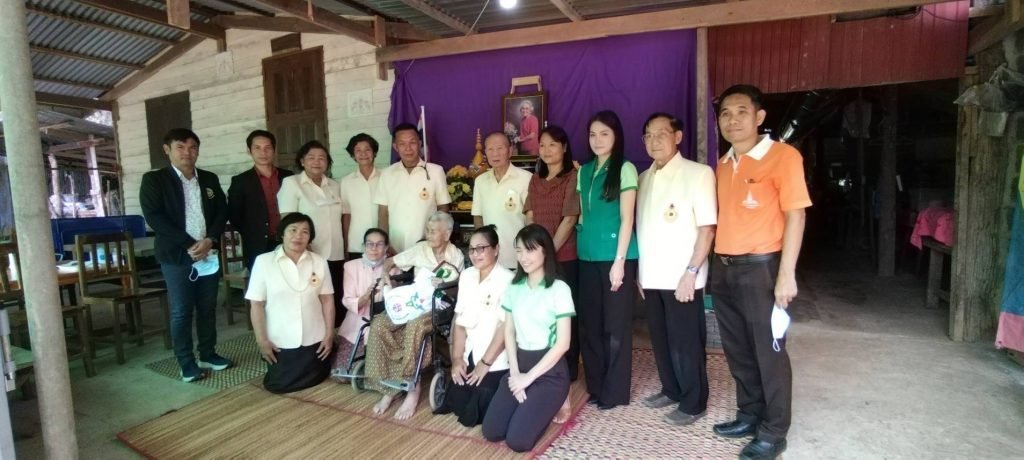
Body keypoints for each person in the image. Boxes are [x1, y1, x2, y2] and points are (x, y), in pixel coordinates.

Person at [711, 84, 811, 460]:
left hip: (762, 269)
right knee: (737, 349)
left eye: (741, 112)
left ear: (759, 117)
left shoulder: (784, 156)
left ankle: (774, 431)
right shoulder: (722, 165)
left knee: (769, 352)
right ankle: (749, 414)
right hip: (724, 268)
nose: (732, 120)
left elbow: (796, 216)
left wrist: (787, 274)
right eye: (725, 113)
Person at [636, 112, 717, 426]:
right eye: (648, 135)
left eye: (661, 134)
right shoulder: (643, 179)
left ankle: (694, 403)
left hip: (683, 276)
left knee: (686, 342)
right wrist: (640, 273)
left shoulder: (698, 174)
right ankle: (671, 389)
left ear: (678, 136)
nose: (654, 141)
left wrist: (692, 272)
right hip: (652, 275)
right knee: (660, 338)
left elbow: (707, 229)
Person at [139, 128, 231, 382]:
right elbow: (154, 217)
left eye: (192, 147)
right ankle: (186, 362)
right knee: (181, 311)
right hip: (176, 256)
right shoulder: (155, 180)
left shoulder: (209, 179)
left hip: (208, 253)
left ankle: (208, 354)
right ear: (167, 149)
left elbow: (221, 211)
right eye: (180, 147)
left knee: (208, 308)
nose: (187, 152)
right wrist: (190, 244)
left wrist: (210, 239)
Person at [482, 224, 574, 452]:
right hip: (520, 364)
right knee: (492, 431)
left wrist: (529, 378)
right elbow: (509, 332)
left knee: (518, 441)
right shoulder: (514, 288)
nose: (523, 257)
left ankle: (559, 398)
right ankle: (535, 402)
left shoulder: (559, 289)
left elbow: (563, 344)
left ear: (545, 251)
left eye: (530, 250)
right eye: (519, 251)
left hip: (549, 372)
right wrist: (515, 374)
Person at [366, 211, 465, 420]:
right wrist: (385, 275)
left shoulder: (455, 255)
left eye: (433, 231)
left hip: (438, 306)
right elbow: (390, 261)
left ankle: (413, 386)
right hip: (414, 302)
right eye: (427, 230)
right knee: (380, 323)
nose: (429, 235)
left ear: (447, 234)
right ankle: (389, 387)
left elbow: (460, 286)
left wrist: (444, 284)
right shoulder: (420, 249)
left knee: (414, 326)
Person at [576, 110, 639, 410]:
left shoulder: (624, 168)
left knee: (615, 327)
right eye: (593, 134)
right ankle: (597, 386)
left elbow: (627, 219)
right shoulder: (584, 171)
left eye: (604, 134)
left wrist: (619, 262)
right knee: (590, 325)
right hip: (586, 256)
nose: (597, 140)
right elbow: (583, 215)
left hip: (616, 258)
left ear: (616, 136)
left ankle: (614, 392)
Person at [523, 125, 581, 422]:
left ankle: (567, 373)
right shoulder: (535, 180)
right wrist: (534, 253)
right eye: (542, 145)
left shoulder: (572, 177)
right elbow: (530, 217)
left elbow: (570, 219)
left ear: (564, 147)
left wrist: (548, 253)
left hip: (564, 257)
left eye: (553, 145)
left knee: (564, 318)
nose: (546, 150)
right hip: (539, 259)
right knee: (541, 315)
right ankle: (542, 367)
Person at [246, 212, 334, 393]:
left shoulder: (319, 262)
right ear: (282, 234)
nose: (298, 236)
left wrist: (329, 334)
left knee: (318, 376)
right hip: (280, 340)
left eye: (305, 232)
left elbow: (327, 300)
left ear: (310, 237)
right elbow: (256, 305)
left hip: (314, 337)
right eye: (293, 230)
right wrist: (262, 340)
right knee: (278, 385)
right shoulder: (264, 262)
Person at [438, 225, 512, 427]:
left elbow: (504, 329)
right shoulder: (467, 275)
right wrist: (456, 359)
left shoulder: (508, 280)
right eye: (471, 249)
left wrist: (485, 364)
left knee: (482, 403)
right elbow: (460, 320)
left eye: (481, 248)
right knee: (459, 396)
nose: (475, 254)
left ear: (496, 249)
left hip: (495, 356)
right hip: (470, 349)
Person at [277, 140, 346, 324]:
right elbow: (288, 221)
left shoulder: (334, 185)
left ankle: (334, 335)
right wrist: (304, 246)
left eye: (322, 158)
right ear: (302, 161)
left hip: (335, 252)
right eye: (311, 157)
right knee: (311, 299)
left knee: (334, 296)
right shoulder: (292, 183)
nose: (317, 161)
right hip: (309, 252)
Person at [375, 123, 451, 252]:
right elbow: (383, 213)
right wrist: (384, 243)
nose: (408, 148)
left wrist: (435, 237)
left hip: (427, 245)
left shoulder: (435, 171)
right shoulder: (387, 174)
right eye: (402, 144)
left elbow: (443, 208)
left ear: (420, 144)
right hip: (395, 246)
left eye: (412, 142)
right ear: (395, 147)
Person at [228, 130, 293, 271]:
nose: (263, 153)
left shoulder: (289, 177)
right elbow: (235, 217)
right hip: (257, 245)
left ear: (274, 150)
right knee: (262, 282)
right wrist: (254, 233)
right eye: (257, 148)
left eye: (267, 148)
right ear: (249, 151)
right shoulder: (240, 181)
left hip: (289, 241)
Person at [329, 227, 388, 380]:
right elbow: (347, 299)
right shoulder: (351, 266)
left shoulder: (392, 267)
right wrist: (365, 297)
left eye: (379, 244)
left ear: (386, 248)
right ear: (363, 246)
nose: (374, 248)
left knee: (375, 371)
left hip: (382, 322)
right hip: (357, 321)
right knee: (342, 375)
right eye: (370, 244)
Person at [471, 133, 531, 269]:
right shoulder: (480, 181)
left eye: (500, 148)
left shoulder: (526, 179)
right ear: (485, 153)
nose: (495, 154)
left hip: (518, 258)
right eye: (490, 149)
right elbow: (478, 217)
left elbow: (530, 219)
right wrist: (482, 247)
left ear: (510, 150)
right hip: (490, 260)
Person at [340, 133, 381, 261]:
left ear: (374, 152)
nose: (363, 154)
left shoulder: (386, 177)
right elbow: (346, 215)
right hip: (356, 243)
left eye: (367, 149)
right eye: (358, 150)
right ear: (353, 155)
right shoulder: (346, 182)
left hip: (382, 243)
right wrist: (346, 245)